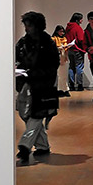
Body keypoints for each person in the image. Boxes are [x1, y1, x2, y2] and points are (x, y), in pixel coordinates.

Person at [15, 12, 60, 162]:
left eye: (29, 25)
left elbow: (53, 66)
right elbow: (17, 58)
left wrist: (34, 73)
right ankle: (42, 145)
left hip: (43, 85)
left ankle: (25, 145)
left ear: (38, 26)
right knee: (26, 114)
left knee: (36, 115)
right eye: (26, 25)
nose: (26, 28)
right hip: (26, 84)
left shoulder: (48, 43)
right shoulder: (23, 43)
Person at [64, 12, 86, 91]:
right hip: (78, 50)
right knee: (79, 67)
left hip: (70, 49)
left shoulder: (68, 27)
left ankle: (71, 85)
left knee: (71, 67)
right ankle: (80, 85)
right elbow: (81, 39)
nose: (82, 20)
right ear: (78, 20)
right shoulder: (77, 28)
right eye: (81, 19)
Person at [52, 25, 70, 97]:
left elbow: (66, 48)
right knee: (59, 75)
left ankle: (65, 89)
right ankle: (60, 90)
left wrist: (66, 47)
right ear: (57, 31)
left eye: (63, 31)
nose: (62, 33)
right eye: (60, 31)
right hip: (57, 58)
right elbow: (52, 48)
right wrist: (59, 48)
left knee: (64, 74)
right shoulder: (53, 39)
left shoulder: (64, 39)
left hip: (64, 57)